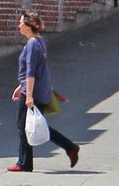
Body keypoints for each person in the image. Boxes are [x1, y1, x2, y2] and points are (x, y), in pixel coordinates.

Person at [10, 11, 80, 172]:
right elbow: (37, 69)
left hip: (33, 92)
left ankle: (25, 163)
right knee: (36, 125)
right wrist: (20, 87)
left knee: (24, 126)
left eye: (21, 22)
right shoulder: (40, 42)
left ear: (29, 26)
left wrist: (27, 95)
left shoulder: (33, 44)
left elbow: (31, 72)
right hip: (39, 90)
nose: (18, 26)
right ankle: (69, 147)